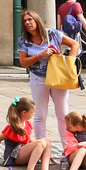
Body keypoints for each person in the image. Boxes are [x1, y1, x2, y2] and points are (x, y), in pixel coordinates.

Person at [18, 9, 80, 150]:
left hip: (58, 77)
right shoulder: (23, 40)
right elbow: (23, 62)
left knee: (63, 114)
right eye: (25, 21)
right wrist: (41, 55)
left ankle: (68, 149)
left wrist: (69, 62)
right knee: (40, 114)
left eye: (30, 19)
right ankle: (40, 148)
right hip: (38, 79)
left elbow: (75, 44)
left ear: (36, 20)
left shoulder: (52, 33)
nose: (28, 23)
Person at [0, 96, 57, 170]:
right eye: (32, 112)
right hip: (13, 155)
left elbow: (30, 140)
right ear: (24, 112)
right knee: (42, 142)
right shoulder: (12, 127)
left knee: (46, 141)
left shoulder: (26, 124)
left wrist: (45, 152)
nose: (33, 114)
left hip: (22, 152)